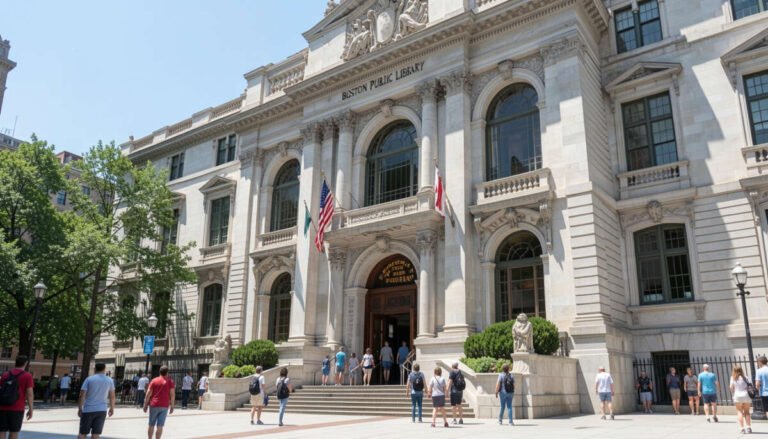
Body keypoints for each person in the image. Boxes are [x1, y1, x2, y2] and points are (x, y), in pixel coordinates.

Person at [78, 363, 115, 439]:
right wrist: (112, 408)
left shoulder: (89, 379)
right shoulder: (109, 380)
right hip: (101, 410)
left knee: (82, 433)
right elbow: (112, 396)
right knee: (96, 434)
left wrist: (80, 408)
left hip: (88, 409)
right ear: (104, 369)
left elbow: (82, 395)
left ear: (95, 369)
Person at [0, 356, 34, 439]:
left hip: (2, 407)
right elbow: (29, 394)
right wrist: (31, 409)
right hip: (17, 408)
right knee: (14, 431)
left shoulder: (5, 374)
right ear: (25, 364)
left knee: (1, 431)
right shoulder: (27, 376)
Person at [143, 366, 175, 439]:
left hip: (154, 404)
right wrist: (172, 406)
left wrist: (145, 404)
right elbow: (172, 395)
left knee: (151, 424)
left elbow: (148, 393)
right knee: (160, 426)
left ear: (159, 372)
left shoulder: (154, 380)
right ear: (167, 373)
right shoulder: (170, 381)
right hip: (164, 405)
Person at [731, 366, 752, 434]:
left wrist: (734, 390)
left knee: (739, 411)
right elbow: (750, 385)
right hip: (746, 395)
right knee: (747, 412)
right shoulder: (746, 377)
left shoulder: (733, 378)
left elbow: (731, 387)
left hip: (737, 395)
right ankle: (748, 427)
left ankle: (742, 428)